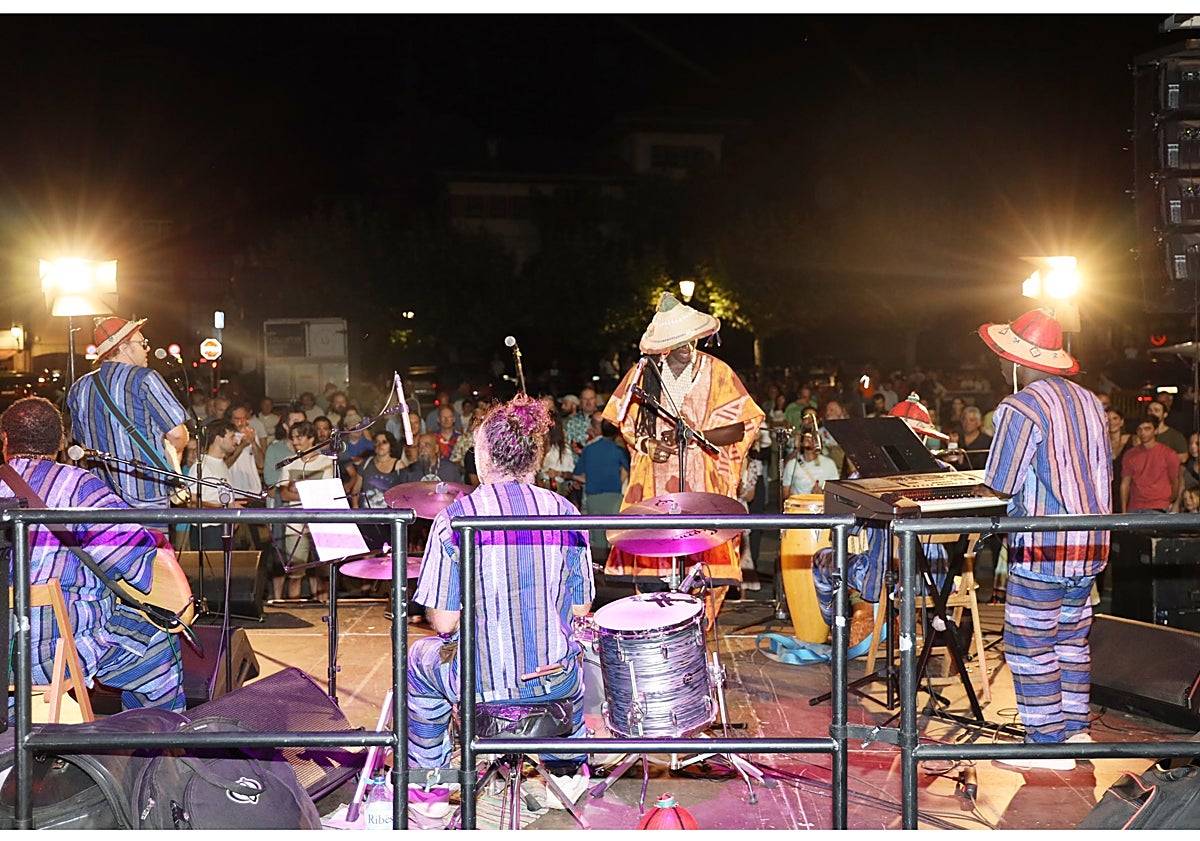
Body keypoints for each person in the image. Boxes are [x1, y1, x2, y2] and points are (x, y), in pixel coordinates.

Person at [408, 396, 594, 817]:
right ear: (536, 456)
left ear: (484, 454)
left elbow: (444, 622)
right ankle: (566, 774)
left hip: (484, 685)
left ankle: (430, 795)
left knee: (417, 662)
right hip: (555, 684)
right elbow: (581, 611)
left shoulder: (456, 517)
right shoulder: (565, 511)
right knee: (571, 660)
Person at [978, 307, 1110, 768]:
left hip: (1045, 548)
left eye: (1000, 356)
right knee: (1071, 641)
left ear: (1018, 362)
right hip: (1092, 545)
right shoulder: (1091, 402)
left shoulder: (1020, 406)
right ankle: (1075, 734)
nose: (996, 364)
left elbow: (1000, 485)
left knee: (1029, 643)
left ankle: (1044, 744)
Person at [1, 396, 185, 712]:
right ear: (61, 442)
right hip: (52, 654)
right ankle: (150, 749)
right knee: (161, 648)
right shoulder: (81, 487)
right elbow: (133, 563)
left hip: (4, 657)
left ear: (4, 440)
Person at [602, 293, 764, 618]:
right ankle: (660, 629)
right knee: (653, 564)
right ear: (663, 344)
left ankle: (697, 632)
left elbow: (738, 429)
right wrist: (648, 445)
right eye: (678, 343)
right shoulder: (644, 374)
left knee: (705, 561)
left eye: (691, 340)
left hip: (701, 480)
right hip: (654, 481)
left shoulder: (717, 371)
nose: (687, 348)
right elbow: (624, 422)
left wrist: (695, 435)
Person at [66, 316, 190, 512]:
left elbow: (81, 445)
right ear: (124, 347)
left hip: (101, 498)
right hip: (146, 495)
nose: (147, 348)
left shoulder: (79, 388)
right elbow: (176, 434)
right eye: (142, 343)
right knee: (150, 543)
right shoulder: (145, 378)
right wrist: (175, 459)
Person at [277, 420, 336, 602]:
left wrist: (298, 489)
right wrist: (310, 492)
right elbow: (284, 495)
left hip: (321, 523)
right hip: (295, 523)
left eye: (299, 437)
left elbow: (326, 495)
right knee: (295, 573)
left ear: (311, 438)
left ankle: (323, 609)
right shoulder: (289, 464)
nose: (295, 442)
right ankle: (294, 612)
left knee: (323, 573)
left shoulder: (326, 462)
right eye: (293, 438)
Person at [188, 419, 249, 551]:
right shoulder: (202, 466)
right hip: (207, 530)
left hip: (222, 527)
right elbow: (190, 499)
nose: (236, 441)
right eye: (232, 436)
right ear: (218, 439)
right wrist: (224, 507)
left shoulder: (221, 464)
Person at [572, 419, 630, 555]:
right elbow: (628, 470)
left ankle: (598, 573)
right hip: (615, 499)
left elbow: (576, 474)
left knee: (597, 542)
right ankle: (612, 572)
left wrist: (592, 479)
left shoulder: (589, 449)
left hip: (593, 498)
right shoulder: (619, 451)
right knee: (614, 538)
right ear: (617, 433)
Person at [1121, 415, 1181, 513]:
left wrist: (1166, 501)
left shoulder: (1168, 454)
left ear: (1155, 430)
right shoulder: (1130, 454)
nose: (1143, 432)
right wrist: (1124, 510)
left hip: (1158, 506)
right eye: (1140, 429)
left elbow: (1175, 481)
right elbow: (1125, 484)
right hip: (1135, 506)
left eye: (1147, 429)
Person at [781, 425, 839, 495]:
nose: (810, 439)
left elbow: (836, 492)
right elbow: (785, 494)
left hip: (821, 504)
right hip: (800, 504)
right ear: (801, 443)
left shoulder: (829, 464)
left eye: (813, 438)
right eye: (807, 437)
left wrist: (823, 492)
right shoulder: (792, 464)